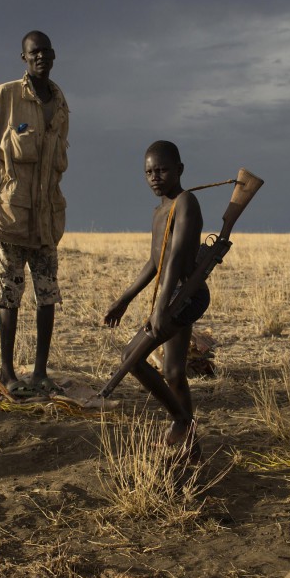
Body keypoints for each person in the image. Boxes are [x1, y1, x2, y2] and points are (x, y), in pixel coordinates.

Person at [0, 31, 69, 395]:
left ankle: (40, 372)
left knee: (48, 293)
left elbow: (57, 166)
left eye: (45, 51)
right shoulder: (6, 97)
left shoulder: (60, 103)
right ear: (23, 58)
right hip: (7, 217)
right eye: (33, 52)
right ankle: (8, 373)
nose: (40, 57)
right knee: (7, 293)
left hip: (45, 219)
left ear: (54, 56)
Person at [103, 140, 209, 456]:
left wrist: (161, 308)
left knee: (130, 357)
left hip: (184, 295)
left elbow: (175, 258)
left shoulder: (186, 202)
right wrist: (125, 299)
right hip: (170, 295)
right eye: (149, 172)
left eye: (162, 170)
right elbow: (155, 261)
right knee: (173, 372)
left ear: (180, 170)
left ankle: (181, 421)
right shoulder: (159, 211)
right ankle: (190, 443)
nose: (155, 177)